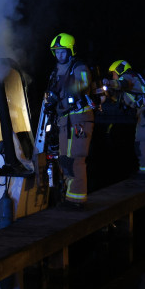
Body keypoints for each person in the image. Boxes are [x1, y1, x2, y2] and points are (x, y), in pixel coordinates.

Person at [45, 33, 96, 209]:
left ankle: (77, 200)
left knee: (75, 158)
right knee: (64, 158)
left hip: (79, 118)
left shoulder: (79, 67)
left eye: (62, 52)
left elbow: (82, 84)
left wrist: (60, 94)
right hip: (63, 119)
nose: (59, 55)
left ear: (70, 51)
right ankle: (69, 197)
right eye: (56, 52)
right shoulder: (55, 71)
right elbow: (51, 93)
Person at [104, 60, 145, 175]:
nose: (113, 76)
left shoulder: (127, 76)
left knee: (142, 140)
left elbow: (122, 84)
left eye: (113, 73)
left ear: (119, 70)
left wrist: (108, 83)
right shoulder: (135, 79)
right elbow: (121, 98)